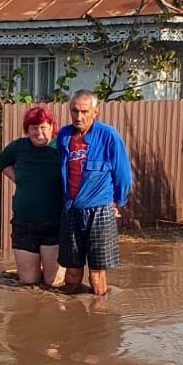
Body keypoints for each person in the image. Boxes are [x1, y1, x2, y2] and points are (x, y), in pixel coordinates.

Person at [56, 90, 132, 297]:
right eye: (74, 111)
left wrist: (117, 203)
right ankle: (71, 318)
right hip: (72, 209)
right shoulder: (63, 136)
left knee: (97, 276)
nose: (78, 117)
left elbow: (123, 175)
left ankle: (99, 319)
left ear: (95, 112)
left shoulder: (109, 136)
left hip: (100, 210)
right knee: (71, 273)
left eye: (84, 111)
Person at [0, 105, 64, 286]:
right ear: (28, 130)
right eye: (34, 128)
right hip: (24, 224)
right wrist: (19, 179)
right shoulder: (18, 147)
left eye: (43, 127)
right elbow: (2, 162)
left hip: (55, 224)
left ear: (51, 127)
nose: (39, 132)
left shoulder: (62, 147)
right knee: (28, 283)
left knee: (54, 283)